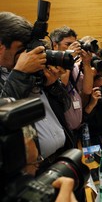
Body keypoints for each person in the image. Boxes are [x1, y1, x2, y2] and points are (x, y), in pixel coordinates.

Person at [0, 12, 72, 165]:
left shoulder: (33, 70)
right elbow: (4, 120)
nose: (25, 55)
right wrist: (19, 74)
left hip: (62, 158)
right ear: (1, 47)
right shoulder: (20, 72)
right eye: (20, 49)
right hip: (32, 171)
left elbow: (66, 106)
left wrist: (52, 85)